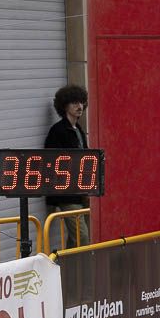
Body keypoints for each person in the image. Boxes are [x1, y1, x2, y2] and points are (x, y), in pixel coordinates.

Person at [44, 84, 91, 248]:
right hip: (66, 193)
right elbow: (50, 162)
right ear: (65, 106)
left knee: (75, 237)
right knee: (82, 236)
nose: (79, 107)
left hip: (80, 191)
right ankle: (81, 270)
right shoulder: (58, 131)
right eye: (74, 103)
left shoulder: (78, 129)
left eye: (81, 102)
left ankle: (66, 268)